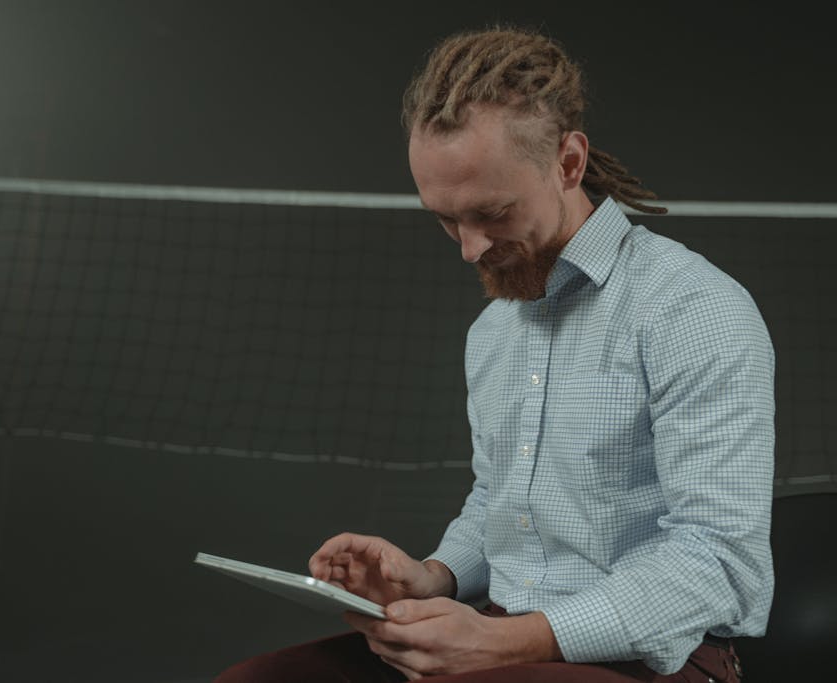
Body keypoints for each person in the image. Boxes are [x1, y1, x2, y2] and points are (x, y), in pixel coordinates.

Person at [215, 25, 774, 683]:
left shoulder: (693, 309)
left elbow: (719, 562)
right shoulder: (493, 330)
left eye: (494, 213)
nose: (470, 248)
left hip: (657, 664)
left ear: (568, 163)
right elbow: (500, 502)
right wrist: (431, 577)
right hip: (500, 641)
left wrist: (506, 641)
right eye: (446, 218)